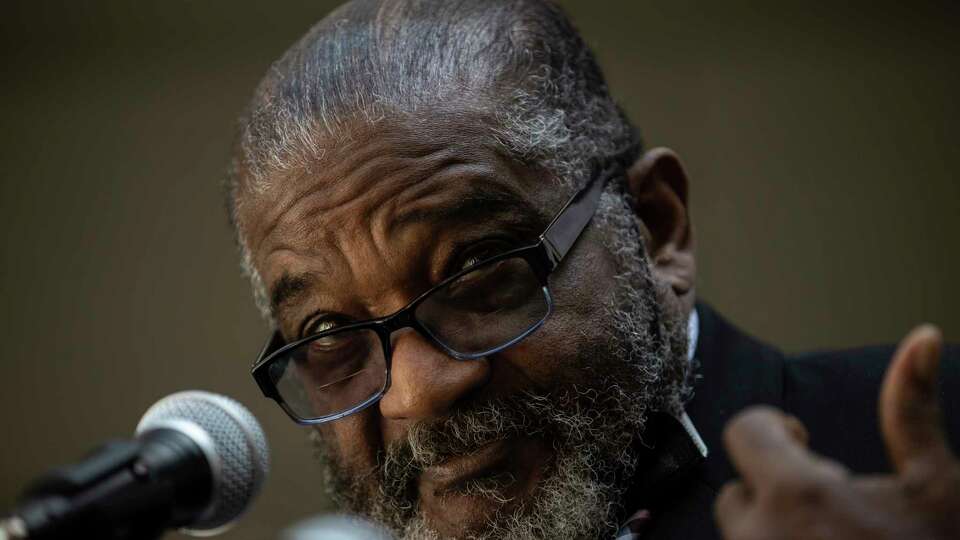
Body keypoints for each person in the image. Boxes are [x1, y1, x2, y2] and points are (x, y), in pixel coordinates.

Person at [226, 1, 960, 538]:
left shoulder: (932, 460)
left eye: (479, 267)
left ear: (655, 226)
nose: (416, 392)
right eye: (327, 332)